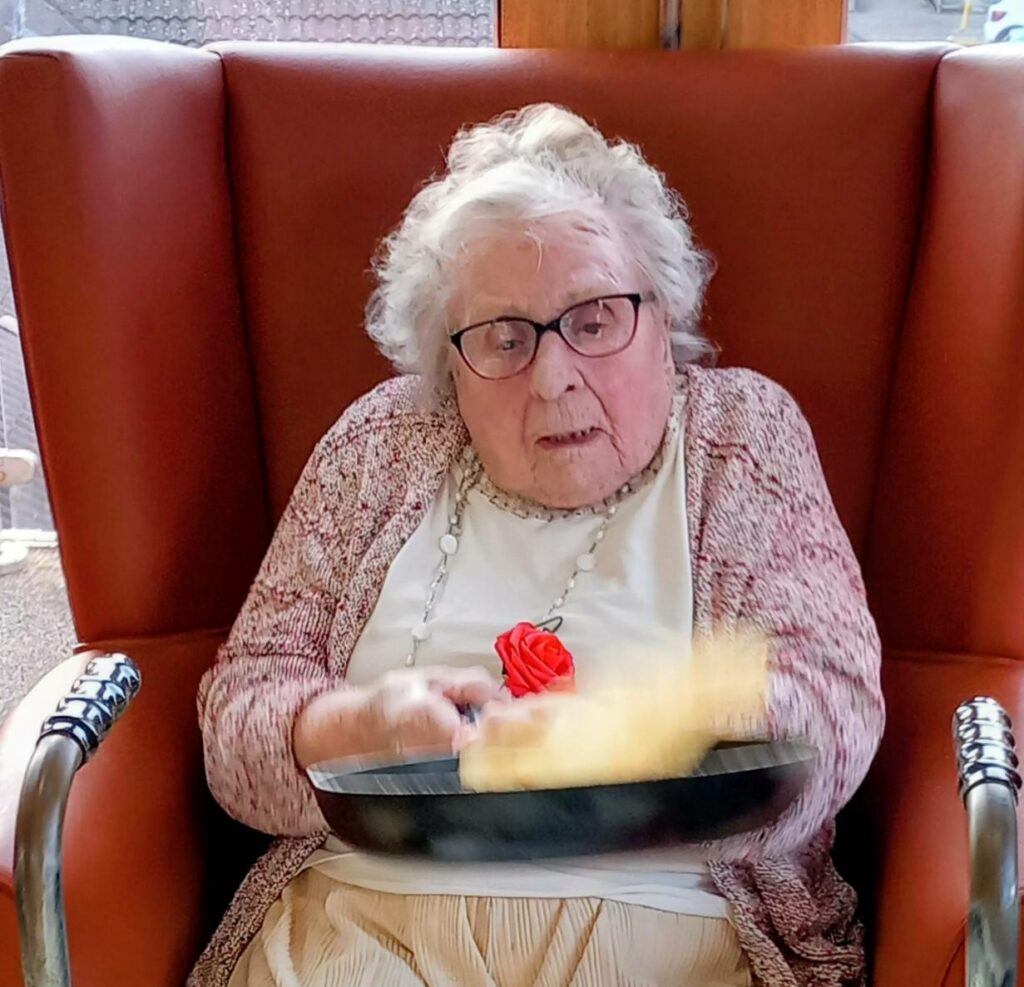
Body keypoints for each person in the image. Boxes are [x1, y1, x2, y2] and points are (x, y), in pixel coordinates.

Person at [189, 103, 884, 987]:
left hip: (674, 925)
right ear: (448, 366)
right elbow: (240, 717)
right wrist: (355, 724)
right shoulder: (378, 445)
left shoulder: (741, 434)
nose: (554, 377)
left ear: (660, 317)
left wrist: (621, 737)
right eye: (504, 338)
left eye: (594, 319)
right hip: (364, 920)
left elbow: (833, 709)